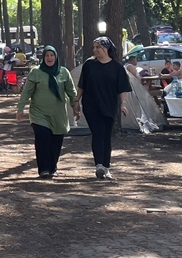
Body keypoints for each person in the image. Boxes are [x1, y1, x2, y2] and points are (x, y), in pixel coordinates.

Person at [15, 46, 78, 179]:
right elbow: (27, 92)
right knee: (43, 138)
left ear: (56, 57)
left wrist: (75, 106)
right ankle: (43, 169)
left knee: (56, 141)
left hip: (58, 114)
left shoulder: (64, 72)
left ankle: (52, 167)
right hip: (39, 113)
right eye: (47, 55)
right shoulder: (36, 72)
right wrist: (20, 108)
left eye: (52, 55)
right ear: (43, 58)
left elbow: (72, 92)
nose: (49, 58)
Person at [75, 36, 131, 180]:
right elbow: (82, 85)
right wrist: (77, 101)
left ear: (106, 48)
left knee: (106, 136)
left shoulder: (117, 67)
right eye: (94, 47)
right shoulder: (89, 65)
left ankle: (106, 167)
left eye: (98, 47)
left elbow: (123, 88)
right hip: (91, 105)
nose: (95, 50)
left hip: (110, 105)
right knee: (98, 132)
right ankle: (99, 164)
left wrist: (123, 104)